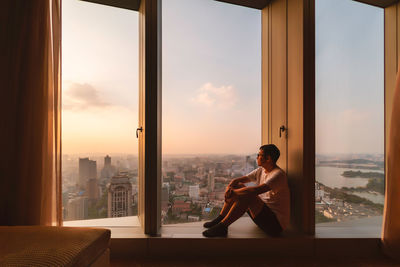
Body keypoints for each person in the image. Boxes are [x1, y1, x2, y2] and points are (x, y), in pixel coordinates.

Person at [202, 144, 290, 237]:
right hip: (262, 215)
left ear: (268, 159)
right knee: (238, 185)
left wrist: (233, 193)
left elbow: (255, 191)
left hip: (275, 225)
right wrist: (230, 188)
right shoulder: (261, 170)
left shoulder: (278, 175)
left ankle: (223, 227)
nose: (257, 157)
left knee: (248, 195)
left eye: (259, 155)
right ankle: (221, 218)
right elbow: (236, 181)